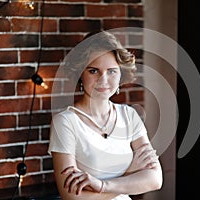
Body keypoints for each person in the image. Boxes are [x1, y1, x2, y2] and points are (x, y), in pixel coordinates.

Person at [48, 31, 163, 200]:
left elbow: (155, 179)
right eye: (93, 71)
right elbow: (72, 196)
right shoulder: (65, 122)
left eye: (111, 71)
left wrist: (102, 185)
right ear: (80, 74)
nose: (103, 80)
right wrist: (129, 175)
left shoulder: (129, 116)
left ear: (121, 74)